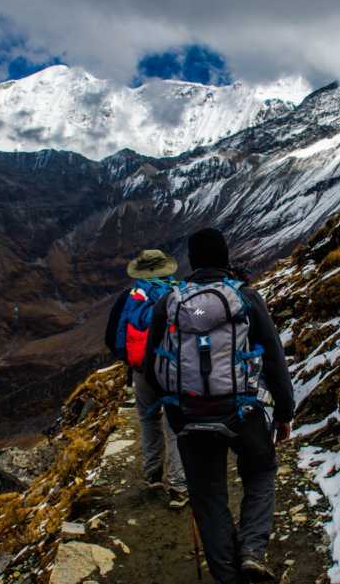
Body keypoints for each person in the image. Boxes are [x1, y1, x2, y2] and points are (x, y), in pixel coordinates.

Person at [144, 228, 295, 584]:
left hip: (189, 415)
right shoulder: (246, 298)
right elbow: (273, 361)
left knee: (209, 496)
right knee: (260, 472)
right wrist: (284, 413)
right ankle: (252, 555)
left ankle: (228, 576)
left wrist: (176, 410)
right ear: (226, 259)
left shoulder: (169, 302)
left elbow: (153, 369)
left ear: (191, 262)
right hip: (242, 412)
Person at [104, 249, 189, 510]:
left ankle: (153, 474)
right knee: (174, 423)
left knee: (148, 418)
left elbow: (111, 335)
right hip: (173, 370)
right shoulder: (180, 292)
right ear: (167, 269)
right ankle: (178, 486)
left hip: (142, 370)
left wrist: (131, 359)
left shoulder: (130, 297)